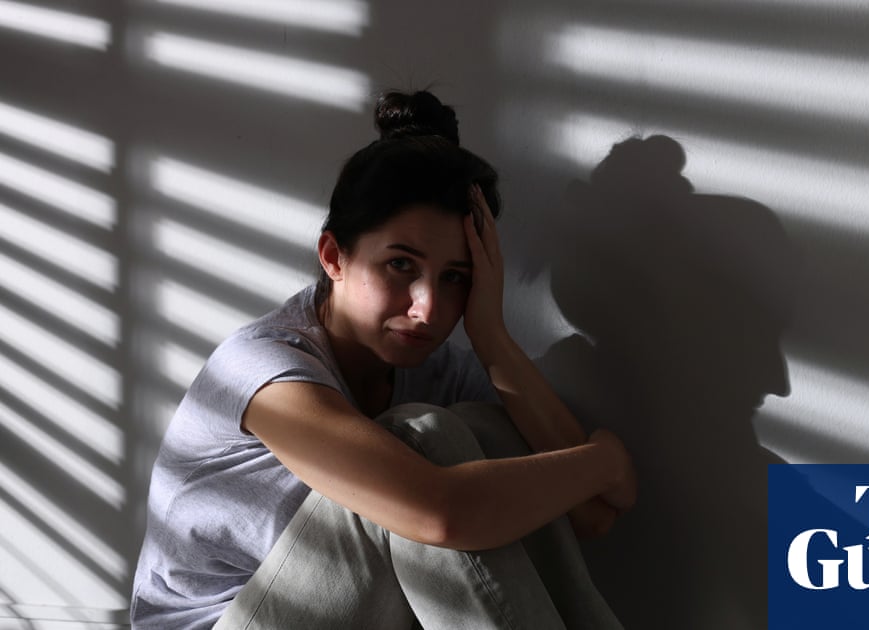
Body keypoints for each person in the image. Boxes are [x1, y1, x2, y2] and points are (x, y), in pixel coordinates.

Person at [130, 90, 635, 629]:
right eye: (401, 265)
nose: (428, 307)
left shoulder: (439, 371)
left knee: (490, 433)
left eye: (455, 277)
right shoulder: (260, 369)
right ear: (334, 257)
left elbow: (588, 515)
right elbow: (440, 515)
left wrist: (491, 337)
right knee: (421, 441)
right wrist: (604, 459)